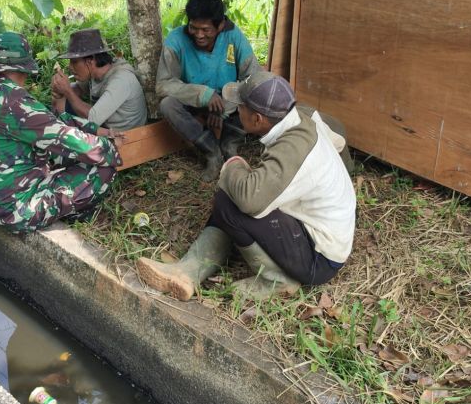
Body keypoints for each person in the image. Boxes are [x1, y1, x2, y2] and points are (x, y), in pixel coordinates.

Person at [137, 71, 356, 300]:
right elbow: (338, 138)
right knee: (236, 193)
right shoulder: (298, 119)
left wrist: (233, 164)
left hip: (319, 258)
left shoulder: (292, 149)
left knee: (231, 202)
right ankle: (188, 271)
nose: (236, 110)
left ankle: (277, 280)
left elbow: (249, 200)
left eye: (240, 107)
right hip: (319, 231)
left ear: (258, 119)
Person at [0, 31, 122, 232]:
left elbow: (54, 123)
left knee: (67, 149)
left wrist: (98, 131)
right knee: (103, 168)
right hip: (17, 211)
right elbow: (71, 141)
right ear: (23, 69)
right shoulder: (17, 104)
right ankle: (75, 214)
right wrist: (110, 148)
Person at [156, 0, 261, 180]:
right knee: (167, 104)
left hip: (229, 105)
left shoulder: (233, 36)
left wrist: (223, 106)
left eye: (206, 30)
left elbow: (253, 78)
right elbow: (163, 85)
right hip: (195, 104)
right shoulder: (175, 40)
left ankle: (230, 144)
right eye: (194, 27)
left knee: (259, 91)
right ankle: (212, 152)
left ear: (221, 25)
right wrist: (203, 95)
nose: (199, 35)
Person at [51, 28, 147, 131]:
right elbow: (78, 88)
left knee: (68, 102)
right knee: (61, 102)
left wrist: (67, 91)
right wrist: (61, 89)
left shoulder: (121, 80)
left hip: (127, 136)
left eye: (74, 62)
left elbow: (92, 119)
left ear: (90, 61)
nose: (70, 67)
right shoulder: (96, 73)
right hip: (105, 129)